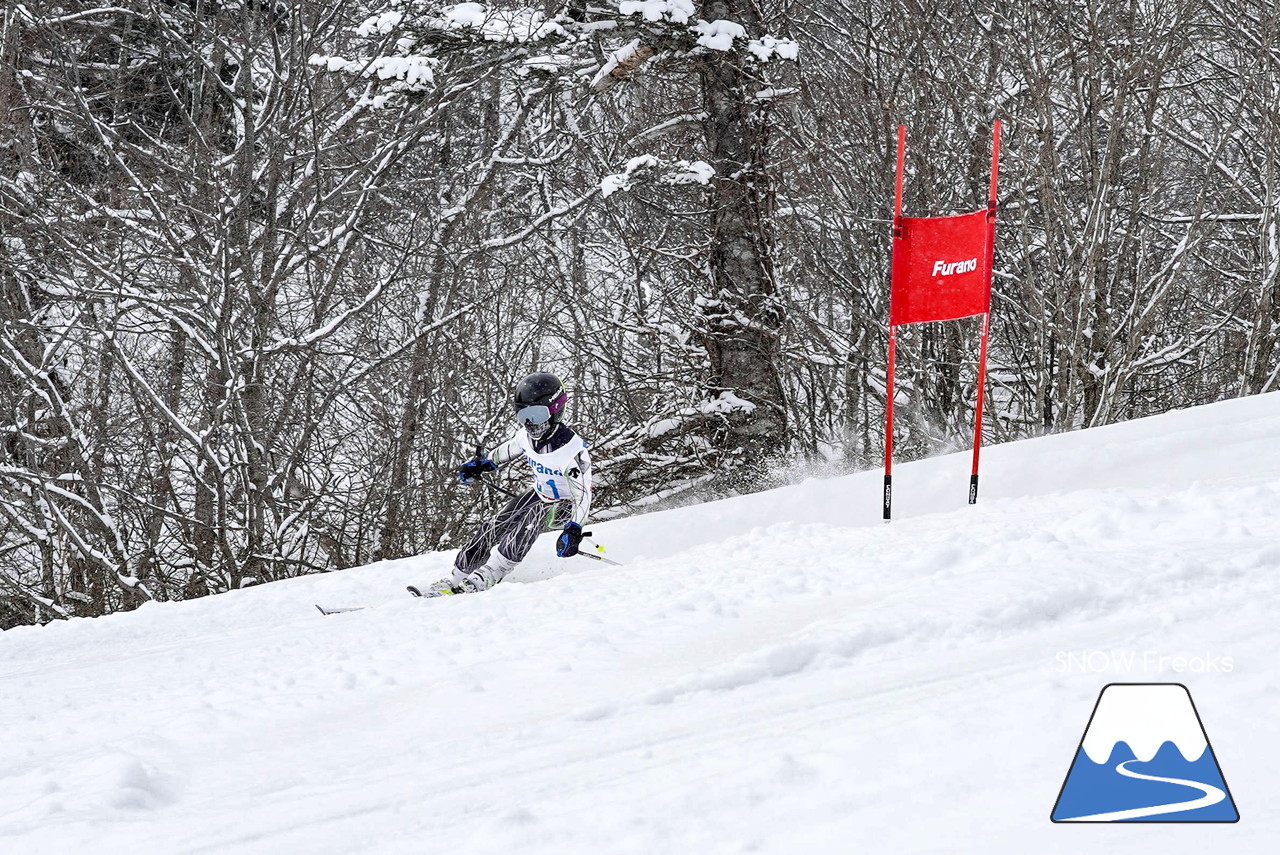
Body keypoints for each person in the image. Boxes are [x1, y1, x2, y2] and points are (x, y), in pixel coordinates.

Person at [413, 372, 593, 596]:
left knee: (533, 515)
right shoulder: (525, 438)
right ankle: (457, 577)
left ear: (556, 410)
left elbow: (584, 497)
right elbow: (503, 453)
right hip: (541, 494)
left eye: (537, 415)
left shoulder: (573, 451)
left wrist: (574, 529)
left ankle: (493, 571)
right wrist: (481, 465)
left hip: (565, 507)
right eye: (524, 415)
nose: (530, 424)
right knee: (495, 524)